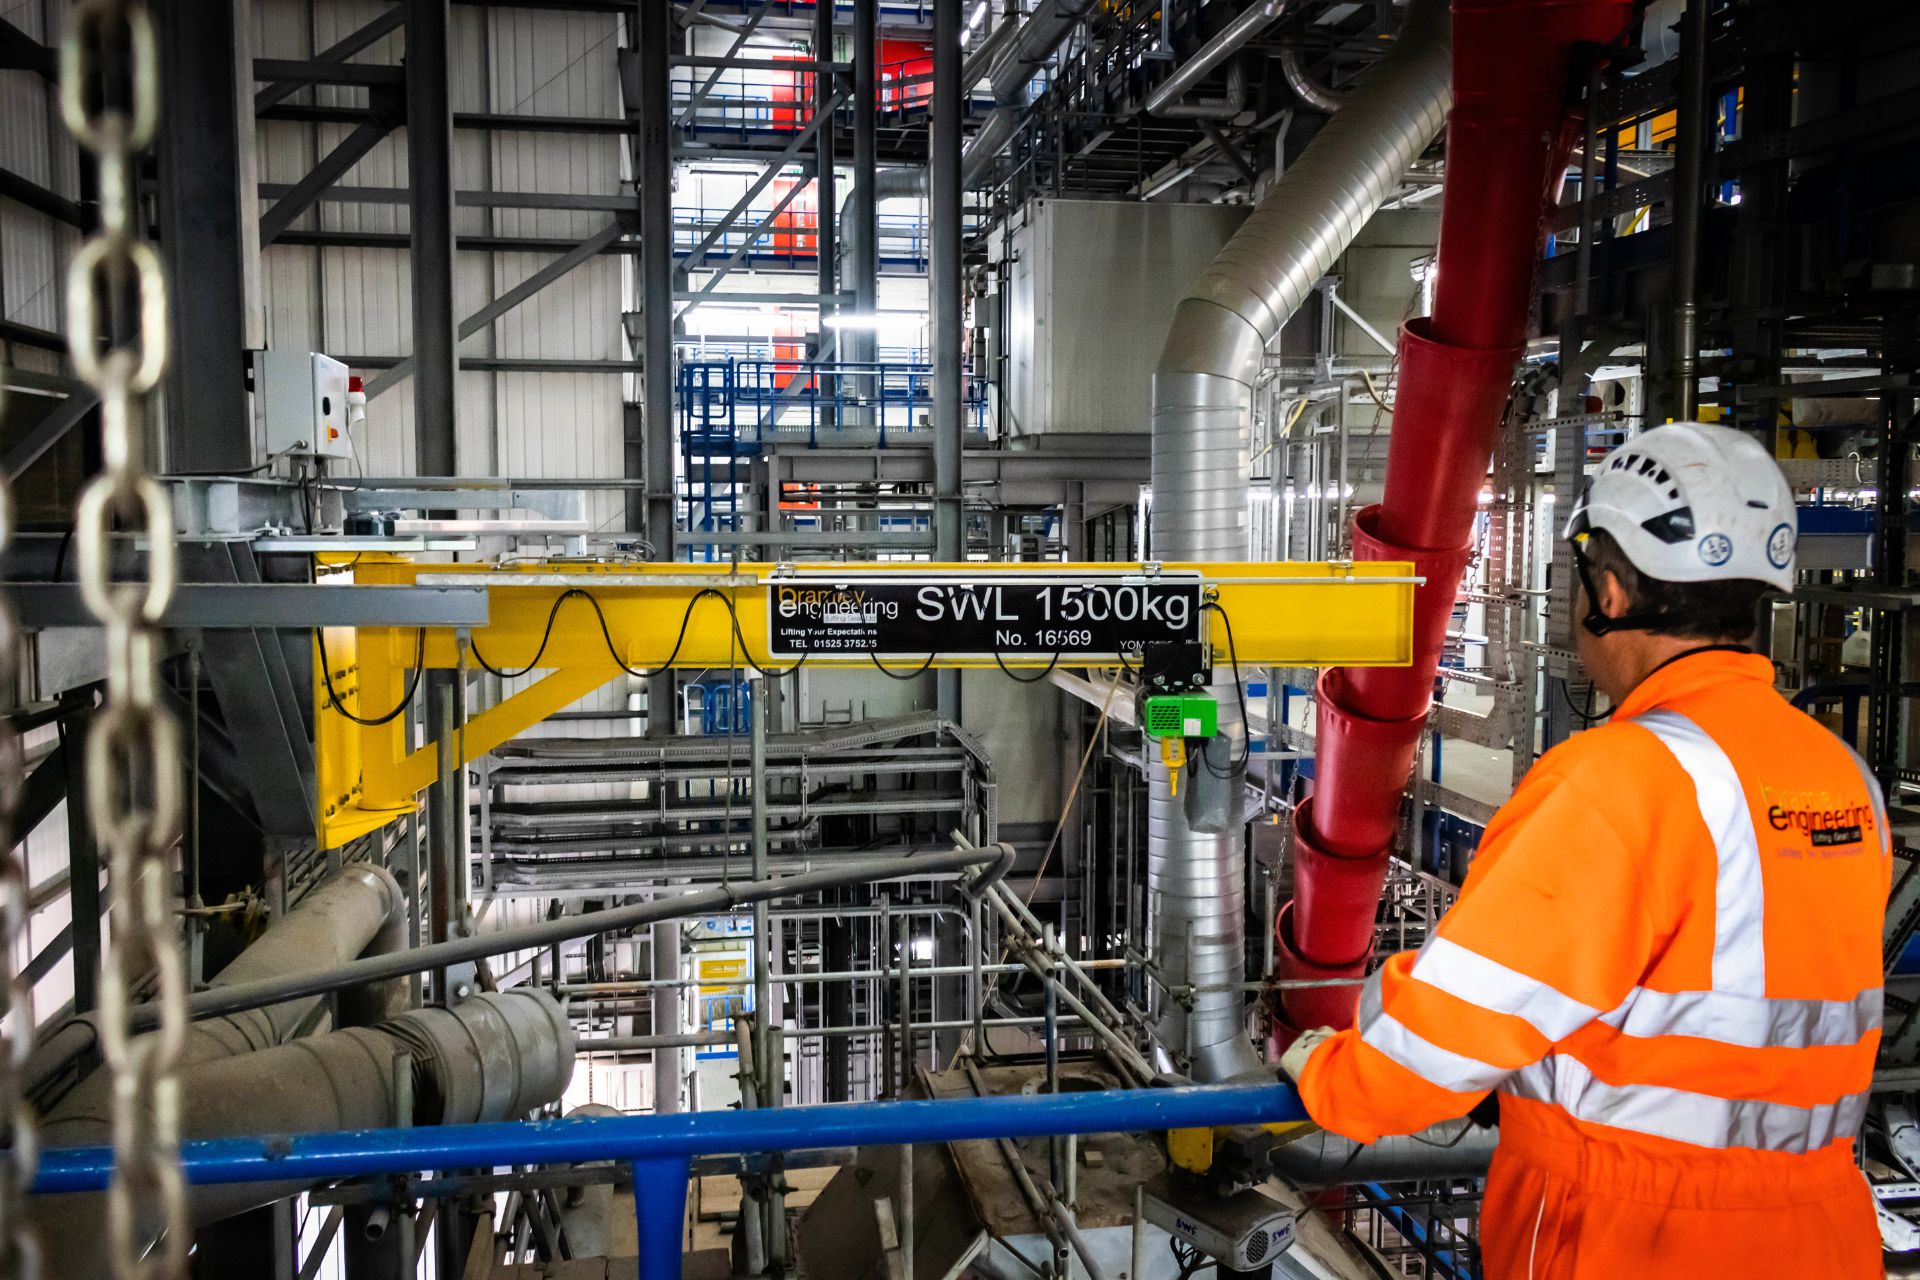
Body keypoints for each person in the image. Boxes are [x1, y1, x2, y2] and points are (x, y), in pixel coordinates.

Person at [1280, 423, 1889, 1277]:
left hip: (1636, 1240)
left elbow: (1446, 1033)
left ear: (1607, 588)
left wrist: (1329, 1071)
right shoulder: (1838, 772)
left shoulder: (1616, 781)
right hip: (1821, 1233)